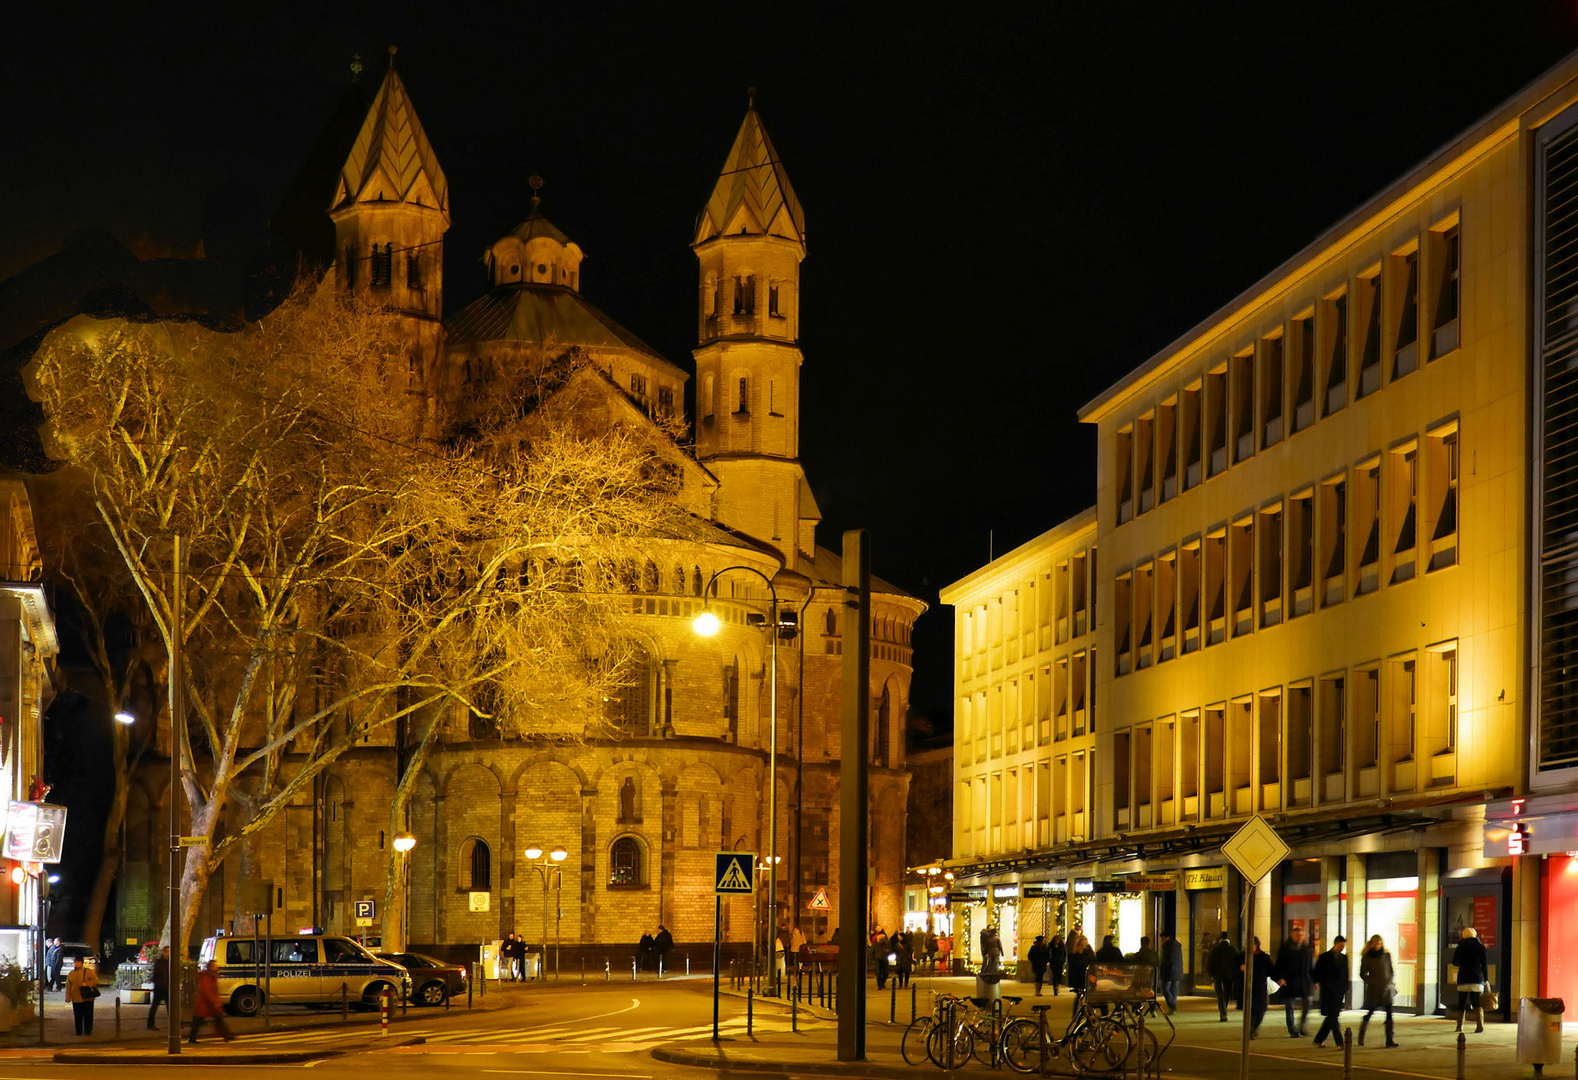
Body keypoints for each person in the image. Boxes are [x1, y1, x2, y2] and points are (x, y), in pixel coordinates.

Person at [1358, 934, 1399, 1048]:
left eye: (1380, 943)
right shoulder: (1367, 957)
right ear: (1371, 944)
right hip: (1374, 990)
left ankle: (1389, 1040)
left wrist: (1390, 981)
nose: (1378, 946)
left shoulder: (1386, 955)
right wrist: (1371, 981)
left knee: (1389, 1014)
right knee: (1370, 1012)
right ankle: (1361, 1036)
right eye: (1376, 943)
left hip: (1387, 989)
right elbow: (1362, 974)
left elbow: (1391, 970)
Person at [1274, 925, 1313, 1037]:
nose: (1300, 937)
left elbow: (1310, 965)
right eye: (1297, 935)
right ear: (1292, 936)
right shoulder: (1285, 949)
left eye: (1301, 935)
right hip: (1289, 981)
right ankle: (1292, 1029)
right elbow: (1279, 965)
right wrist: (1280, 978)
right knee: (1289, 1006)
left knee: (1307, 1003)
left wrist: (1313, 979)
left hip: (1305, 981)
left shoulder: (1307, 948)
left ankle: (1302, 1026)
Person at [1311, 936, 1348, 1049]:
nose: (1342, 948)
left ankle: (1318, 1039)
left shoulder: (1344, 958)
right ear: (1335, 944)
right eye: (1341, 946)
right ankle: (1340, 1042)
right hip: (1327, 991)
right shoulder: (1324, 957)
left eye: (1344, 946)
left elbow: (1345, 975)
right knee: (1333, 1017)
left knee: (1331, 1017)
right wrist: (1316, 982)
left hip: (1339, 992)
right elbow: (1317, 972)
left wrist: (1345, 988)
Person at [1452, 927, 1489, 1034]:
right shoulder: (1480, 947)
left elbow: (1455, 962)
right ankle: (1479, 1026)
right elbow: (1484, 965)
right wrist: (1485, 979)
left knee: (1461, 1002)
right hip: (1477, 978)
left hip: (1463, 977)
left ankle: (1459, 1026)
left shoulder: (1460, 947)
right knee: (1477, 1002)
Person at [189, 959, 233, 1043]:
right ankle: (227, 1035)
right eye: (215, 966)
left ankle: (227, 1035)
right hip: (205, 1003)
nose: (217, 967)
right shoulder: (207, 977)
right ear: (211, 967)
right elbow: (207, 990)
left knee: (215, 1019)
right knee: (200, 1020)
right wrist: (214, 1001)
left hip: (206, 1002)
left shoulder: (210, 976)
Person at [1242, 937, 1272, 1038]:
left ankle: (1254, 1027)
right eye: (1247, 944)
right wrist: (1241, 969)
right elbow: (1234, 972)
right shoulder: (1243, 957)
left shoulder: (1264, 957)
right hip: (1247, 988)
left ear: (1257, 945)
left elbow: (1271, 970)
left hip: (1261, 987)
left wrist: (1279, 979)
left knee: (1262, 1009)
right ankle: (1250, 1029)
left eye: (1252, 945)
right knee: (1251, 1011)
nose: (1249, 947)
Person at [1207, 932, 1238, 1021]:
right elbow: (1237, 962)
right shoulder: (1233, 949)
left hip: (1218, 975)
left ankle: (1223, 1012)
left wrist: (1211, 974)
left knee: (1220, 994)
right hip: (1230, 975)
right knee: (1227, 993)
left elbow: (1210, 963)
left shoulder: (1215, 950)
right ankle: (1224, 1009)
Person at [65, 957, 99, 1036]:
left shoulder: (88, 971)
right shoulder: (71, 974)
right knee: (78, 1016)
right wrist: (68, 997)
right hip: (76, 998)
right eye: (75, 962)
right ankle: (78, 1031)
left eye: (78, 962)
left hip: (87, 998)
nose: (76, 964)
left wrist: (87, 984)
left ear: (82, 963)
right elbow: (68, 986)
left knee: (88, 1015)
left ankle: (88, 1031)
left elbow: (95, 980)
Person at [976, 927, 1004, 1003]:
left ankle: (990, 972)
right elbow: (1000, 946)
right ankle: (994, 973)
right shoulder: (997, 939)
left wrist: (986, 952)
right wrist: (1002, 952)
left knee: (991, 962)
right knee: (995, 963)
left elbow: (986, 947)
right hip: (996, 952)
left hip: (991, 952)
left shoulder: (988, 939)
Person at [147, 945, 170, 1029]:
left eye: (169, 952)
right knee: (155, 1006)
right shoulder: (160, 962)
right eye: (167, 951)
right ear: (163, 952)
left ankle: (173, 1024)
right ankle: (150, 1024)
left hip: (166, 987)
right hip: (160, 987)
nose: (168, 953)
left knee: (170, 1007)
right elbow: (160, 974)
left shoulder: (168, 962)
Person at [1158, 931, 1182, 1012]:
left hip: (1169, 971)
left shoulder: (1169, 947)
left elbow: (1167, 960)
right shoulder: (1177, 946)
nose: (1161, 940)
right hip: (1177, 971)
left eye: (1162, 938)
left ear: (1166, 937)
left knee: (1166, 989)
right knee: (1173, 990)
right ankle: (1173, 1007)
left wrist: (1162, 968)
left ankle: (1172, 1005)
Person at [1066, 934, 1093, 1000]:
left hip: (1083, 975)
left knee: (1081, 995)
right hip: (1081, 975)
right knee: (1081, 995)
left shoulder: (1085, 952)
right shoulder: (1084, 953)